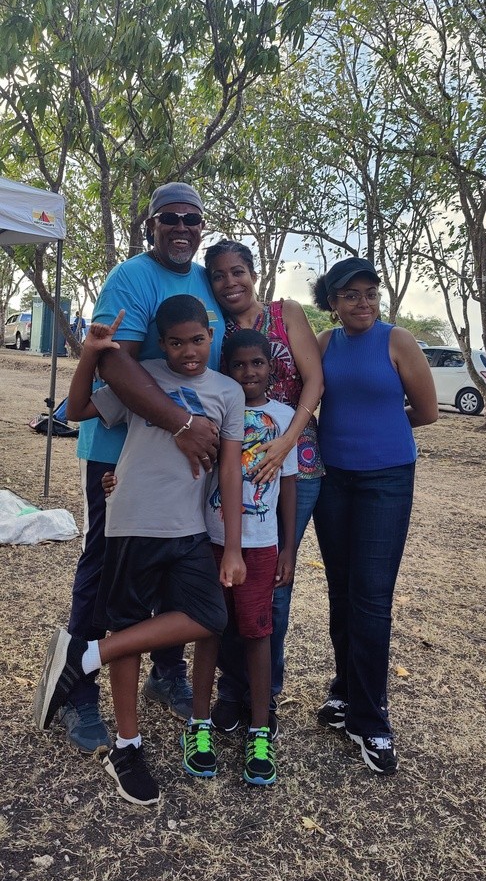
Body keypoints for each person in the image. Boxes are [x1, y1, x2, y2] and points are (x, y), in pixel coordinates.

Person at [34, 296, 245, 806]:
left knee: (210, 616)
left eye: (197, 340)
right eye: (176, 342)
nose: (188, 351)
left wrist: (234, 547)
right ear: (161, 343)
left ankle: (86, 655)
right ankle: (126, 747)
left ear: (211, 336)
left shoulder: (228, 391)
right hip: (131, 521)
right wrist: (91, 353)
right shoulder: (142, 377)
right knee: (127, 627)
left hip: (190, 528)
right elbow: (78, 410)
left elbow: (231, 470)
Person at [57, 182, 226, 754]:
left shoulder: (204, 280)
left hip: (186, 458)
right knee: (106, 568)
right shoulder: (130, 277)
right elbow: (114, 364)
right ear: (151, 225)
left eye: (192, 219)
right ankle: (77, 690)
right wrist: (182, 423)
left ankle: (167, 672)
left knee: (178, 561)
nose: (181, 227)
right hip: (121, 450)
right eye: (168, 218)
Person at [312, 257, 438, 775]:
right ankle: (345, 691)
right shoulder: (324, 343)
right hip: (332, 480)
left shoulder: (398, 341)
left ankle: (372, 719)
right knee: (341, 591)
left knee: (371, 597)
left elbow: (426, 412)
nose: (362, 303)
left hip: (386, 480)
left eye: (370, 293)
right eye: (350, 295)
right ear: (333, 302)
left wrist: (381, 424)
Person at [203, 240, 324, 735]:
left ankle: (264, 698)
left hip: (296, 464)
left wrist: (286, 441)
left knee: (273, 586)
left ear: (254, 273)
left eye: (238, 271)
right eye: (219, 276)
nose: (230, 282)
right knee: (230, 588)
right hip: (234, 472)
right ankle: (232, 693)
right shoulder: (216, 329)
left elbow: (315, 381)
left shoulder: (285, 313)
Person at [202, 330, 297, 785]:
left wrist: (289, 546)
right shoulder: (217, 408)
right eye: (238, 365)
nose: (248, 372)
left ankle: (260, 725)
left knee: (258, 631)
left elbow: (290, 485)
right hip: (210, 538)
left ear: (270, 367)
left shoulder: (285, 417)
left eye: (257, 363)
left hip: (261, 544)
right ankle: (206, 715)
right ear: (226, 369)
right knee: (210, 627)